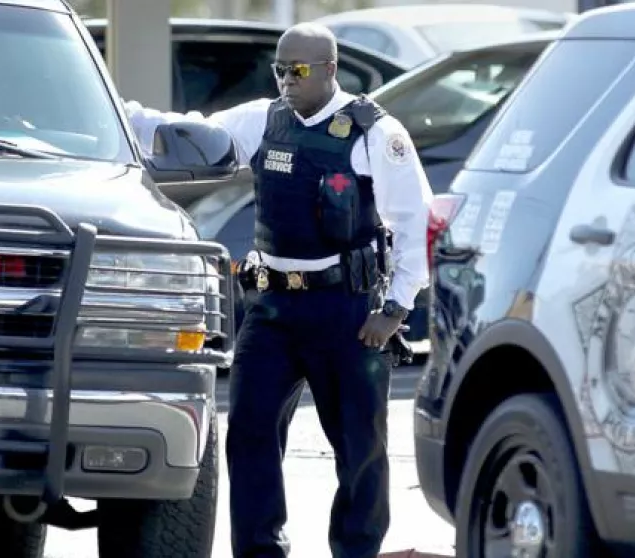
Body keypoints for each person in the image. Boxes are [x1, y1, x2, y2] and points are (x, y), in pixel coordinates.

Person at [124, 22, 433, 558]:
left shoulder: (375, 133)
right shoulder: (264, 119)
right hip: (271, 308)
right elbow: (192, 131)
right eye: (280, 70)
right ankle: (259, 549)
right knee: (249, 433)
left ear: (330, 70)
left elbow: (414, 222)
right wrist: (119, 110)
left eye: (299, 70)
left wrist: (396, 308)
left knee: (360, 446)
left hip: (347, 309)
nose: (287, 80)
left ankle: (356, 549)